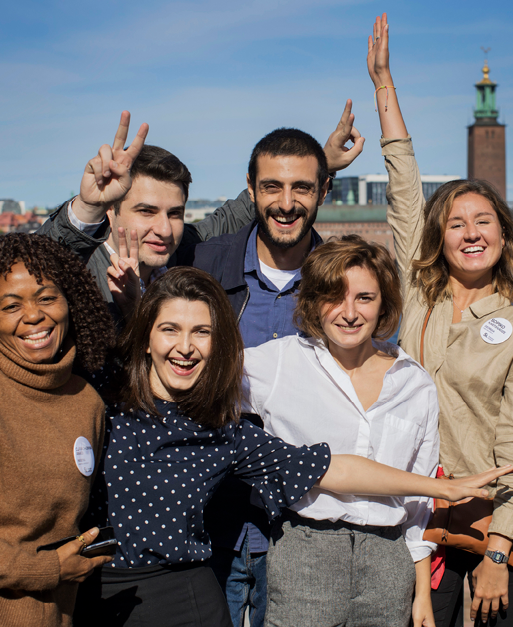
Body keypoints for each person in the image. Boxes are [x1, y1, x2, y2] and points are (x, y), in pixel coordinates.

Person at [72, 265, 513, 627]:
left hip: (189, 596)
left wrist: (442, 489)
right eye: (170, 329)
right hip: (98, 588)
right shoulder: (98, 399)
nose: (185, 347)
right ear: (147, 336)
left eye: (201, 333)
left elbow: (333, 468)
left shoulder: (223, 432)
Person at [367, 13, 513, 626]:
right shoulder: (420, 294)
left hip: (498, 520)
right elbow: (404, 185)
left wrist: (501, 547)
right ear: (439, 237)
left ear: (503, 234)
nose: (469, 233)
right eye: (456, 223)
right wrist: (384, 84)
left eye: (483, 221)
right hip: (423, 517)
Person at [180, 126, 356, 626]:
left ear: (324, 191)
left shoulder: (341, 282)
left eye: (302, 188)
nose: (286, 202)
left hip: (302, 524)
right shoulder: (202, 265)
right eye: (272, 187)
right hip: (208, 518)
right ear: (252, 191)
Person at [242, 235, 438, 627]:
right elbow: (197, 386)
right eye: (334, 296)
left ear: (384, 303)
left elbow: (420, 498)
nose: (349, 312)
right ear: (314, 301)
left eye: (364, 298)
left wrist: (422, 596)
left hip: (388, 563)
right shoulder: (278, 363)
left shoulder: (415, 384)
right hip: (306, 554)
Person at [37, 105, 364, 325]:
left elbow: (259, 202)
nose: (163, 229)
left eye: (175, 213)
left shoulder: (184, 251)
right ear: (112, 210)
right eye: (146, 211)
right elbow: (35, 266)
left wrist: (317, 163)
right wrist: (87, 206)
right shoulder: (79, 269)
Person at [0, 233, 116, 627]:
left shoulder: (87, 400)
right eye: (11, 305)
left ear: (71, 301)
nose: (34, 315)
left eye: (47, 298)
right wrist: (47, 569)